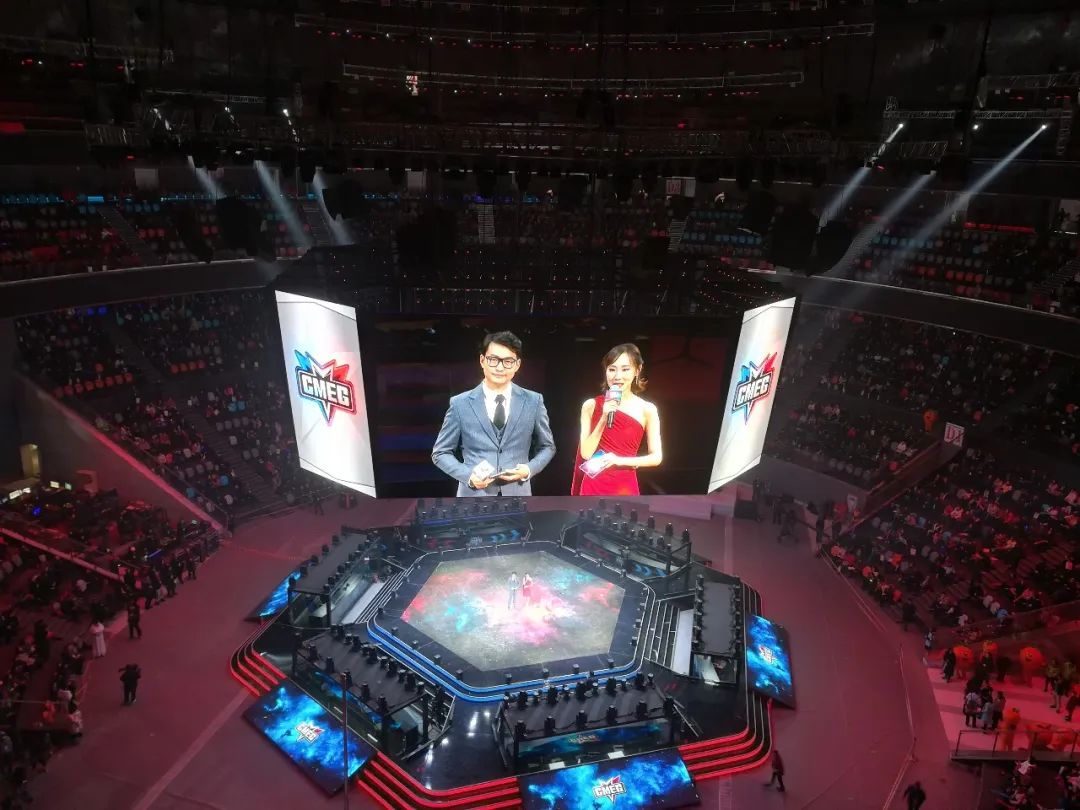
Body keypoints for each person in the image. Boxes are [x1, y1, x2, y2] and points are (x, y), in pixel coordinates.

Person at [431, 331, 556, 497]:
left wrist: (528, 469)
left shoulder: (534, 401)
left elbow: (548, 447)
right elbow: (440, 453)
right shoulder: (460, 404)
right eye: (493, 360)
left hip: (518, 496)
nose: (500, 367)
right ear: (482, 361)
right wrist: (468, 476)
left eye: (508, 361)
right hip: (473, 498)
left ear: (517, 365)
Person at [571, 343, 663, 496]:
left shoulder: (647, 409)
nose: (617, 376)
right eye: (612, 369)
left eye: (625, 369)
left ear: (637, 370)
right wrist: (604, 417)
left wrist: (619, 460)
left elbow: (656, 457)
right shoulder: (591, 405)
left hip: (625, 486)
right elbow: (586, 454)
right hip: (593, 486)